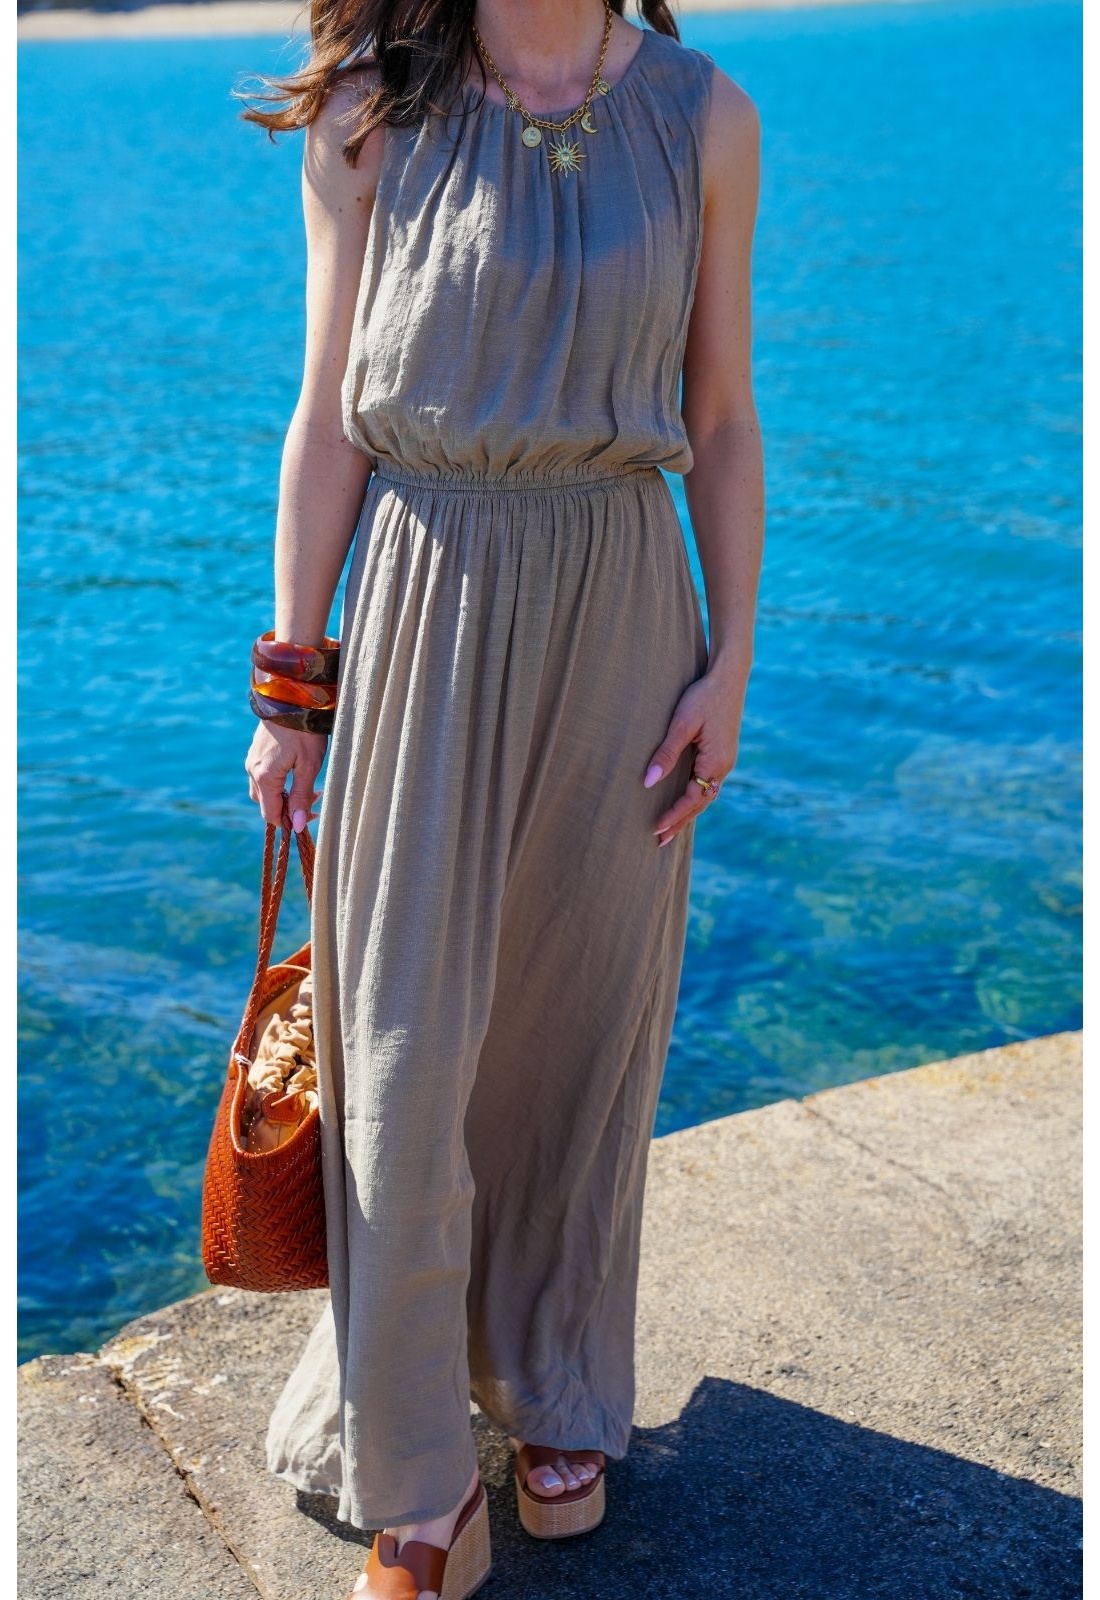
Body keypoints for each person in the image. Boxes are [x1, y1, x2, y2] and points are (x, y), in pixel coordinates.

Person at [242, 1, 763, 1595]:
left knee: (577, 1038)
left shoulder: (706, 116)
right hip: (422, 606)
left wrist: (730, 665)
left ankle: (556, 1388)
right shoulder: (369, 116)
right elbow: (329, 412)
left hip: (625, 614)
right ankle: (418, 1478)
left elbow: (720, 416)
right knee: (400, 1053)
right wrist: (292, 684)